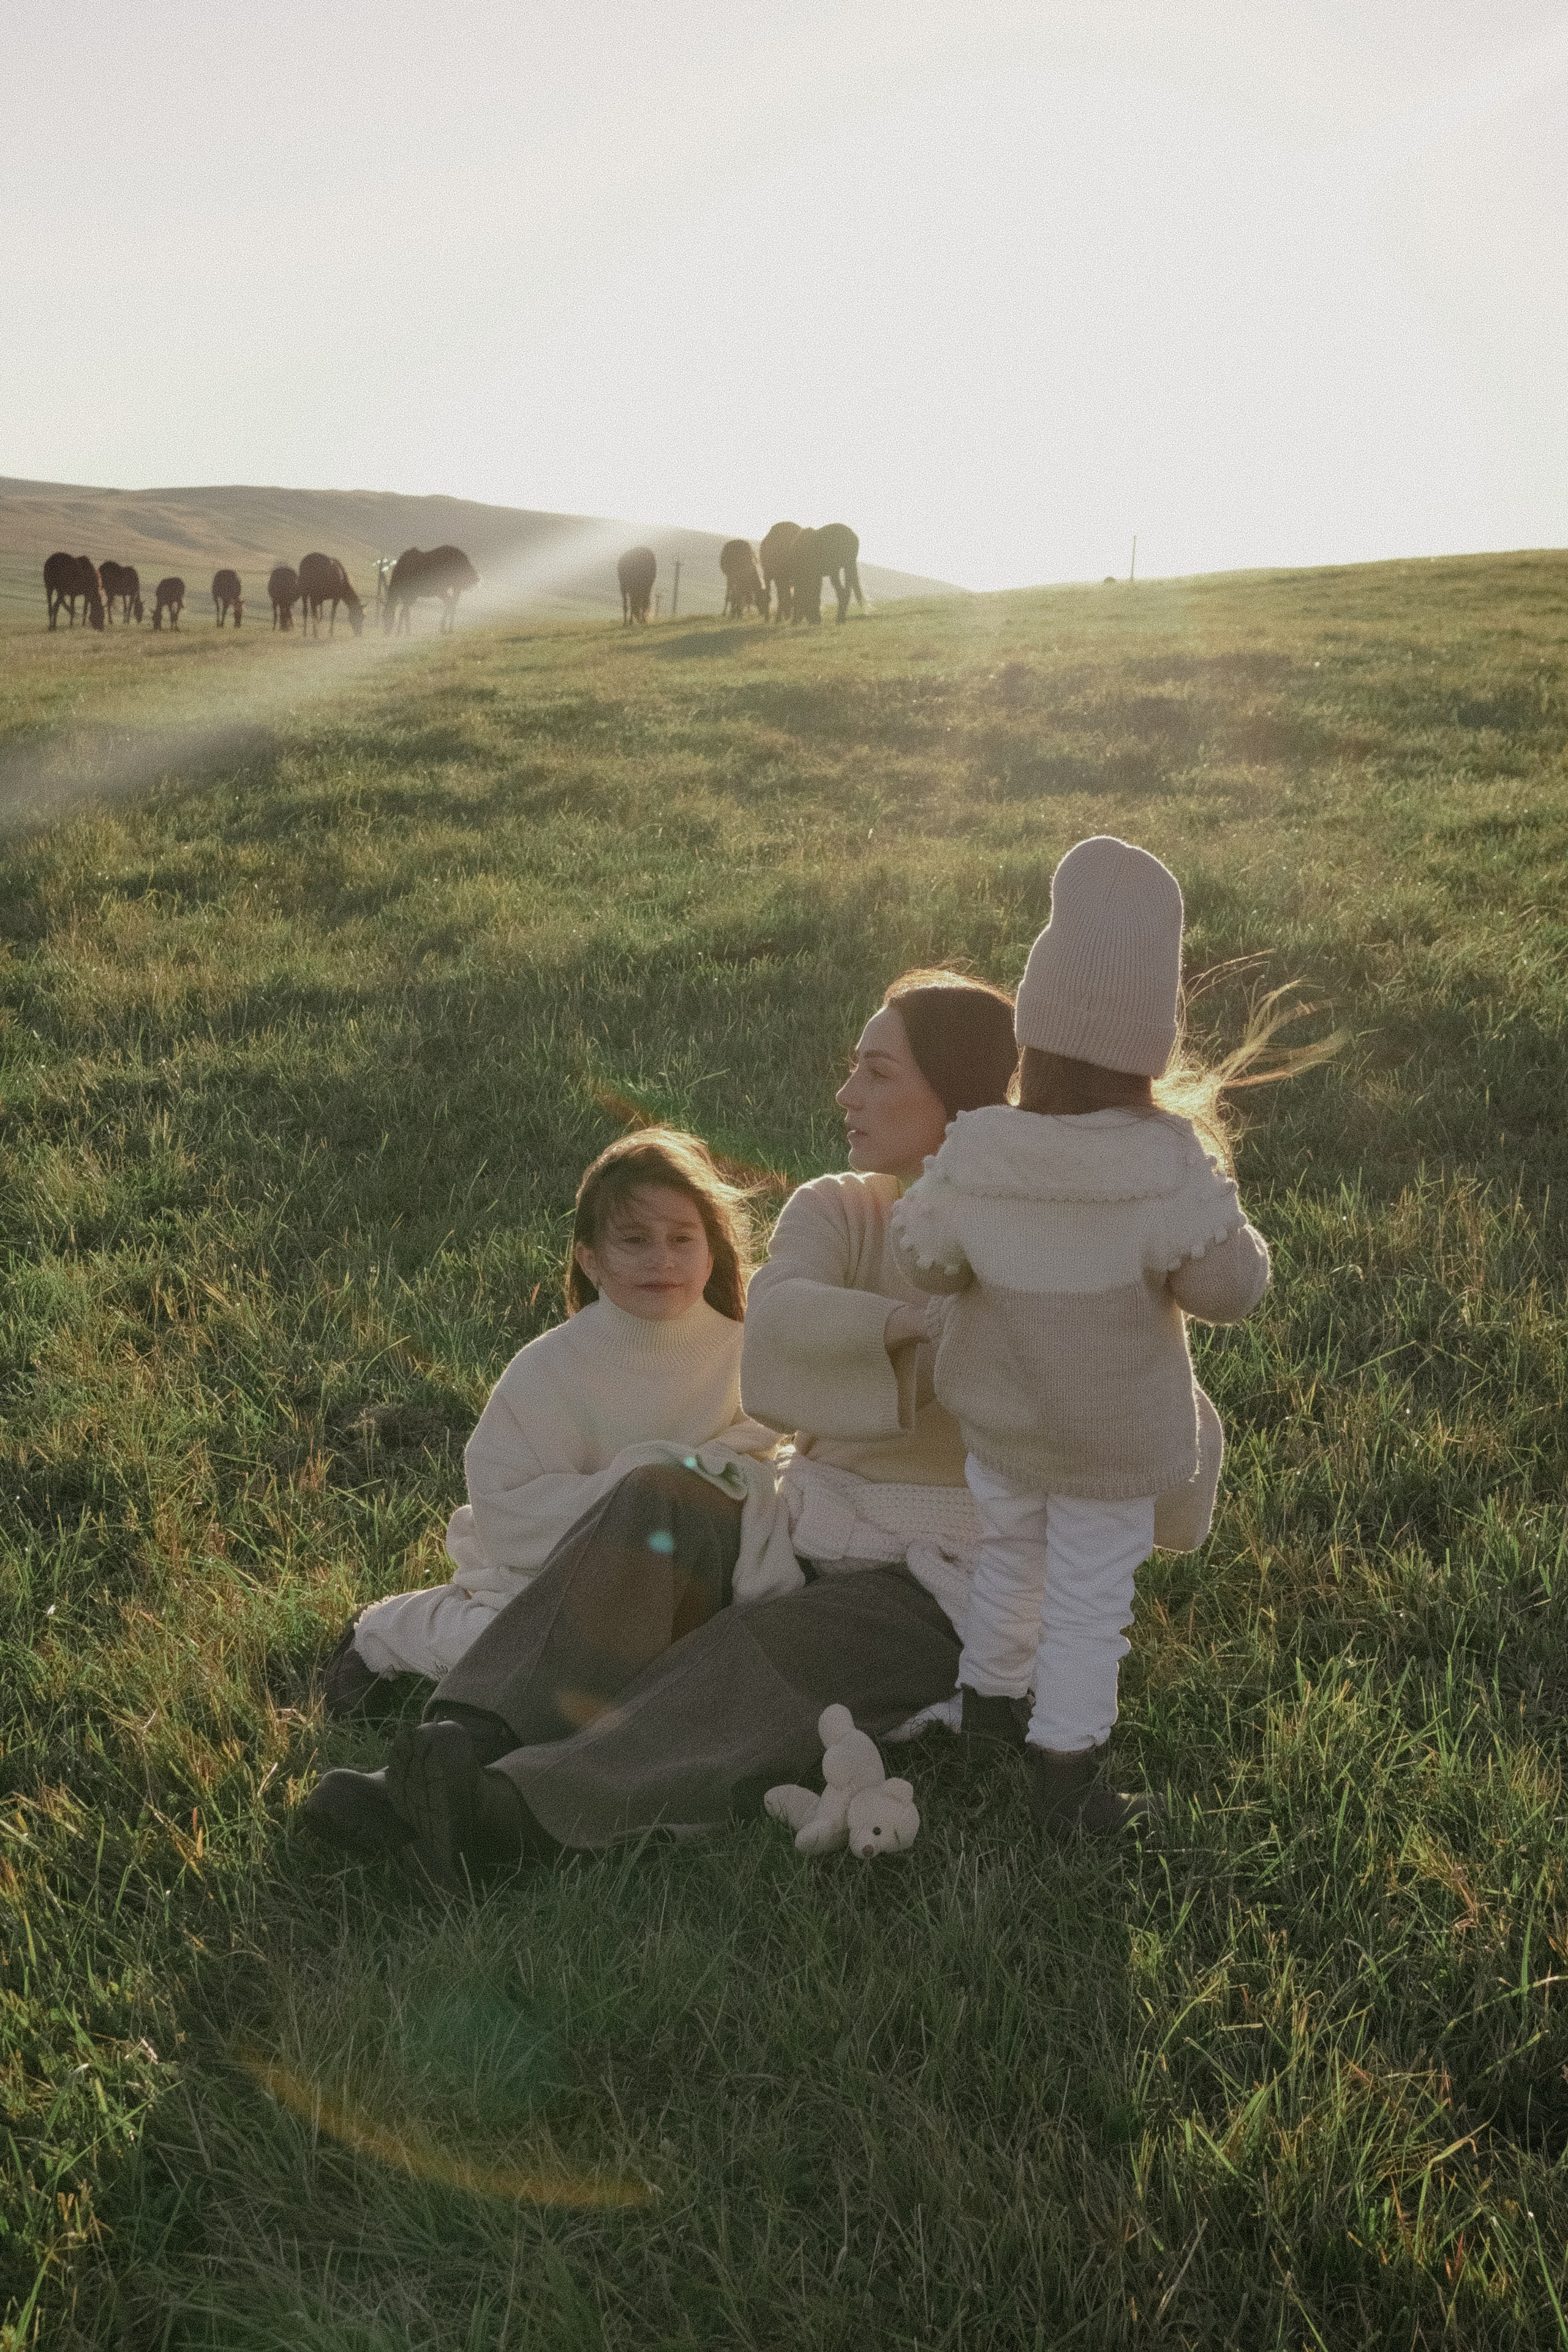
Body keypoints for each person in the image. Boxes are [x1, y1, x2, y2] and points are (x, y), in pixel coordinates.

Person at [300, 973, 1023, 1885]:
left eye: (877, 1073)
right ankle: (456, 1741)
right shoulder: (838, 1206)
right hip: (805, 1516)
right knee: (660, 1492)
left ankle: (515, 1813)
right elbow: (777, 1343)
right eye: (852, 1069)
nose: (846, 1095)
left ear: (957, 1091)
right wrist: (898, 1327)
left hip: (938, 1575)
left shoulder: (1040, 1241)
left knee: (755, 1655)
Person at [889, 836, 1273, 1837]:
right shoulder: (1161, 1163)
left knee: (1011, 1555)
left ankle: (989, 1707)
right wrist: (1222, 1215)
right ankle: (1067, 1774)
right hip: (1110, 1442)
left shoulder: (980, 1146)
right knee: (1089, 1598)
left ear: (1036, 1029)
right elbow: (1230, 1289)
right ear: (1153, 1042)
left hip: (1005, 1427)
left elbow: (922, 1265)